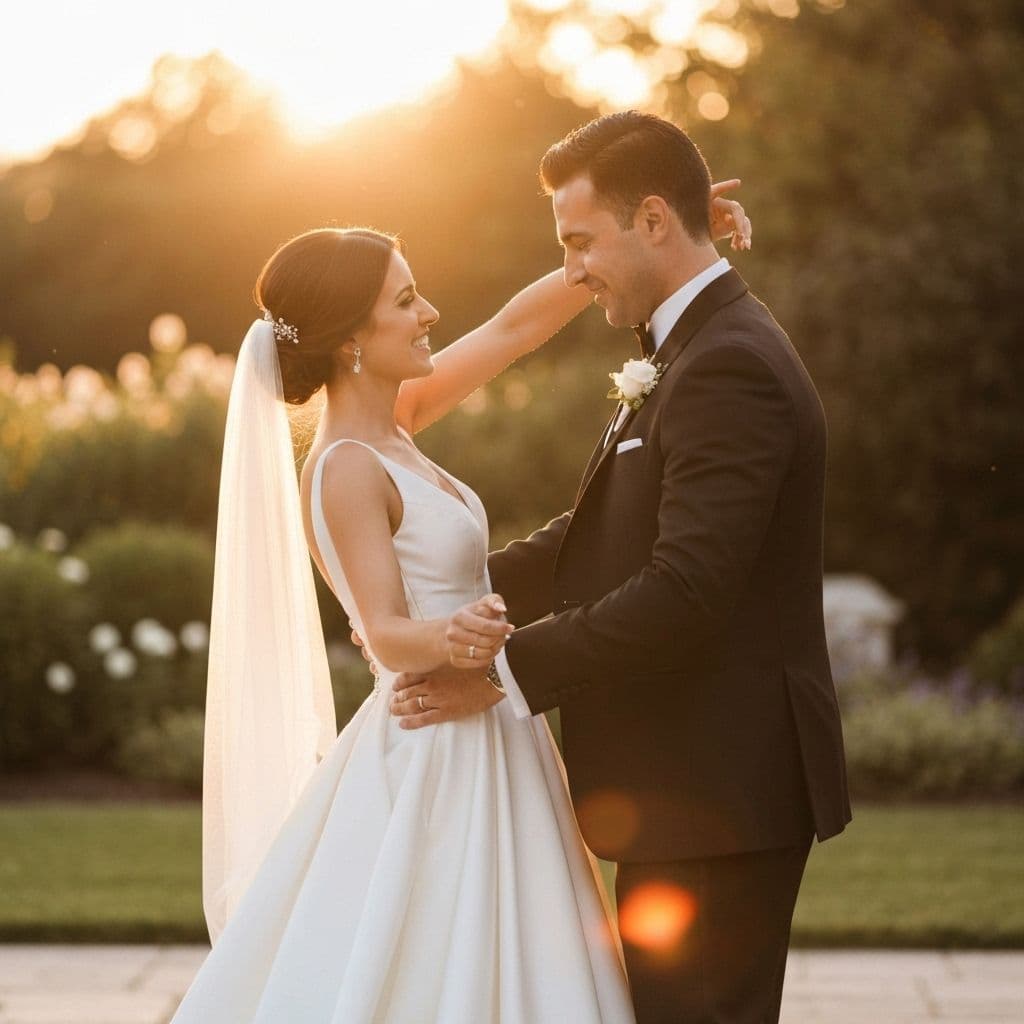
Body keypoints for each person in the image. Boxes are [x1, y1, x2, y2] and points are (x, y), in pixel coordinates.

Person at [172, 175, 750, 1022]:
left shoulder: (397, 419)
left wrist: (639, 243)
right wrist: (462, 632)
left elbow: (516, 327)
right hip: (432, 743)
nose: (431, 312)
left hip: (494, 725)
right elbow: (387, 637)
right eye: (406, 301)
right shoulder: (344, 468)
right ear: (350, 340)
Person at [390, 112, 852, 1024]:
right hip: (692, 788)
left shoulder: (727, 366)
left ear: (651, 221)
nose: (571, 271)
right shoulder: (686, 350)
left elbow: (685, 593)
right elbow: (598, 536)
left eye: (580, 242)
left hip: (721, 792)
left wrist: (499, 671)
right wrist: (443, 594)